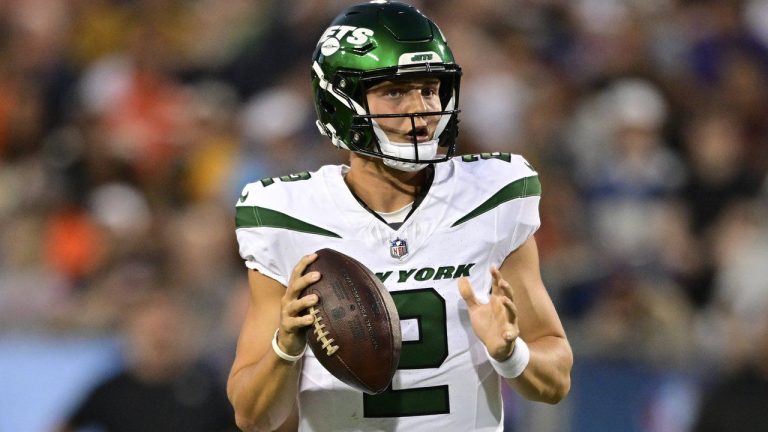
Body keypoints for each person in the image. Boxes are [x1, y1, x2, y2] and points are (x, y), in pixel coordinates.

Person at [228, 1, 573, 431]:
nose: (422, 110)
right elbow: (252, 417)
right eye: (395, 91)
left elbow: (555, 381)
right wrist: (286, 348)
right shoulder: (287, 216)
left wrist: (510, 353)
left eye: (430, 89)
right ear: (340, 100)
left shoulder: (492, 195)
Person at [59, 290, 237, 432]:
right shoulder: (111, 392)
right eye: (152, 330)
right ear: (133, 332)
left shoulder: (209, 387)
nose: (160, 338)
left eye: (167, 328)